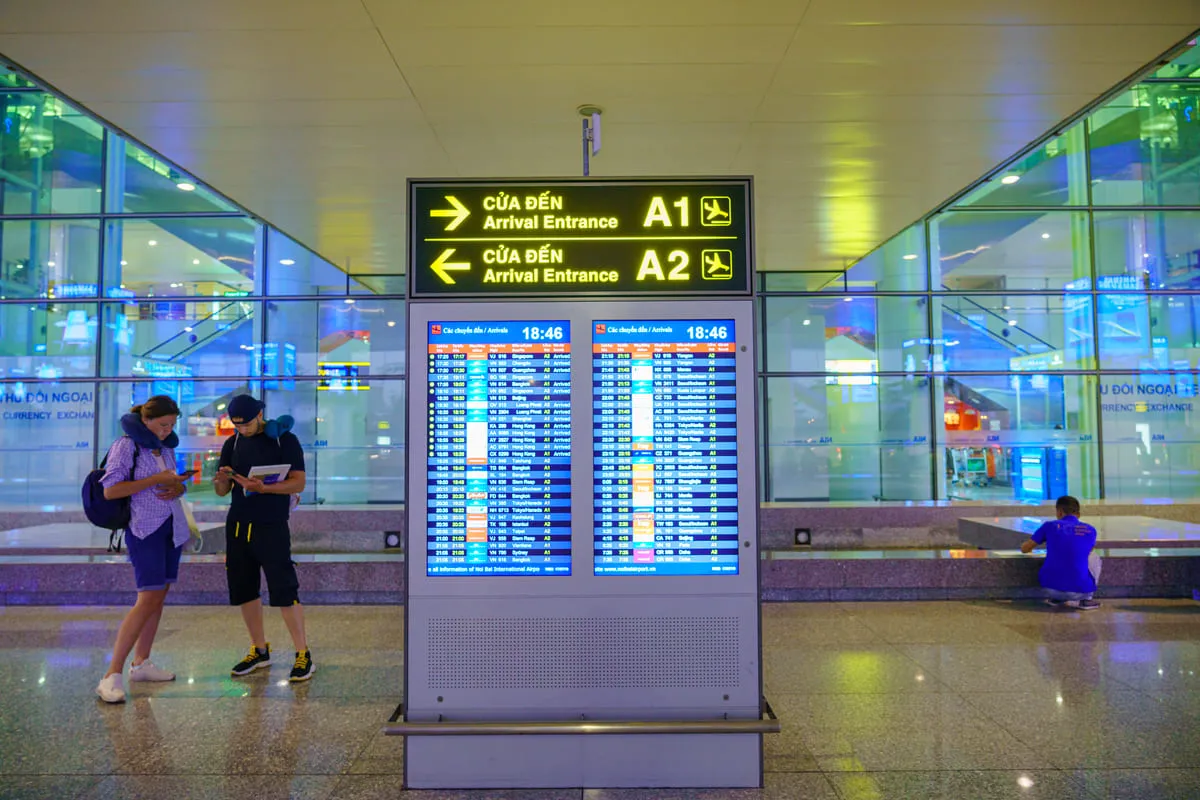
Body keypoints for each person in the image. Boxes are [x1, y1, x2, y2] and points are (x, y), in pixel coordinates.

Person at [96, 395, 190, 703]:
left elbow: (171, 481)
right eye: (163, 425)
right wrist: (155, 479)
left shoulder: (164, 446)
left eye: (172, 425)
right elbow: (110, 490)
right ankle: (111, 674)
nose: (166, 431)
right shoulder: (126, 446)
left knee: (158, 598)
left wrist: (179, 486)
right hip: (144, 529)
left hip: (170, 527)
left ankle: (142, 662)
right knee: (147, 598)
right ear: (146, 421)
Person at [212, 394, 313, 681]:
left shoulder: (284, 441)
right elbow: (222, 491)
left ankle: (302, 653)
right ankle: (259, 649)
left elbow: (299, 481)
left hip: (271, 524)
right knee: (244, 588)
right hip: (238, 524)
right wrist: (220, 480)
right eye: (236, 425)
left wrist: (264, 488)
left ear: (260, 415)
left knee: (283, 589)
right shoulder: (232, 443)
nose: (241, 429)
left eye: (245, 424)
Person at [1021, 495, 1102, 610]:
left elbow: (1025, 548)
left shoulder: (1049, 526)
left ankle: (1056, 599)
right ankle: (1086, 599)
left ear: (1059, 512)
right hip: (1079, 592)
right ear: (1078, 514)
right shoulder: (1090, 530)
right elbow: (1086, 551)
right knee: (1093, 557)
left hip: (1049, 589)